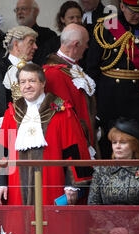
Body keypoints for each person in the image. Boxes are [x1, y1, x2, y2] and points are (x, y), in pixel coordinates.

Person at [0, 63, 92, 207]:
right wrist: (2, 183)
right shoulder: (11, 113)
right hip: (16, 188)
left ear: (43, 83)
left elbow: (74, 149)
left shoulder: (62, 111)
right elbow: (3, 151)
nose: (27, 86)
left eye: (32, 81)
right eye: (23, 82)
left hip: (52, 184)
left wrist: (71, 184)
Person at [86, 0, 139, 159]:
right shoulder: (106, 26)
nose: (137, 15)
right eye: (133, 11)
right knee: (109, 143)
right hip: (110, 97)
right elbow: (92, 67)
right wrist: (92, 101)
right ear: (122, 6)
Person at [43, 23, 98, 157]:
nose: (87, 47)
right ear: (75, 44)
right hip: (74, 146)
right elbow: (65, 117)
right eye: (85, 43)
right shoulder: (54, 73)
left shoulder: (72, 67)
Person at [37, 1, 83, 66]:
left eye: (78, 17)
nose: (76, 21)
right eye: (71, 18)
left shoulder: (88, 41)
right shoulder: (52, 44)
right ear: (62, 19)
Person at [14, 0, 57, 66]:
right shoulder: (12, 35)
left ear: (35, 12)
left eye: (23, 9)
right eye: (17, 9)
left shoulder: (48, 35)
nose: (19, 12)